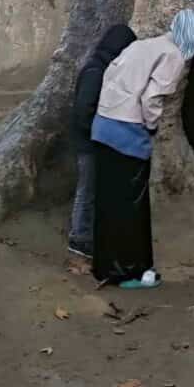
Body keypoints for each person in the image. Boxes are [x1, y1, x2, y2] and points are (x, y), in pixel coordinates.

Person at [91, 9, 194, 289]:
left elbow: (109, 75)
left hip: (102, 127)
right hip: (127, 133)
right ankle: (129, 272)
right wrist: (151, 126)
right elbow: (153, 97)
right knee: (131, 204)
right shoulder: (173, 55)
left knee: (108, 200)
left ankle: (104, 265)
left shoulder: (142, 44)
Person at [68, 23, 136, 258]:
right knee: (87, 191)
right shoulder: (95, 72)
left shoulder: (104, 68)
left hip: (97, 140)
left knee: (95, 190)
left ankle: (91, 233)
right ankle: (79, 237)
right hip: (90, 143)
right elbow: (84, 111)